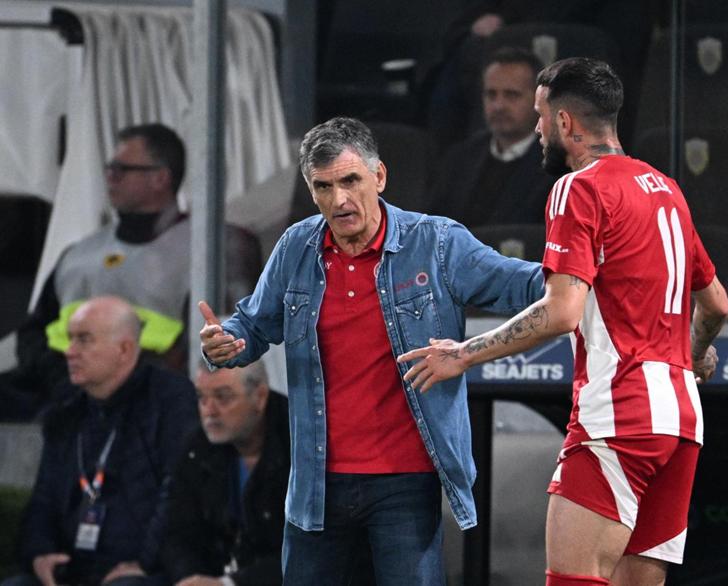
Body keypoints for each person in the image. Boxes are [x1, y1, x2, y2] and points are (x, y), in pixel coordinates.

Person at [399, 57, 728, 586]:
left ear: (564, 121)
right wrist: (688, 356)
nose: (536, 129)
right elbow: (716, 305)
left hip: (619, 416)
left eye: (540, 115)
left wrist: (462, 354)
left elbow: (561, 311)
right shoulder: (667, 190)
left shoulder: (579, 189)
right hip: (681, 423)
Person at [198, 116, 544, 585]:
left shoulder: (436, 243)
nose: (339, 200)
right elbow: (253, 326)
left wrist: (587, 265)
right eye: (323, 187)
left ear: (379, 176)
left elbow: (527, 284)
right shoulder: (295, 247)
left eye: (350, 181)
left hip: (405, 481)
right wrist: (226, 344)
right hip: (316, 483)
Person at [0, 123, 260, 420]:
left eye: (122, 169)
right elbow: (33, 333)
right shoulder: (79, 255)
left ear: (160, 178)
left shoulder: (208, 249)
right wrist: (57, 374)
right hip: (63, 388)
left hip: (149, 397)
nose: (110, 177)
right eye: (110, 168)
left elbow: (214, 346)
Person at [4, 296, 197, 586]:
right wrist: (40, 554)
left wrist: (146, 563)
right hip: (72, 569)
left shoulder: (171, 400)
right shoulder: (66, 410)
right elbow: (43, 500)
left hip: (144, 570)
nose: (69, 351)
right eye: (70, 339)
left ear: (124, 349)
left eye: (84, 340)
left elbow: (180, 496)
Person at [162, 361, 289, 586]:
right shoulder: (196, 447)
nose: (209, 411)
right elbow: (177, 533)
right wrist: (191, 579)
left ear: (260, 397)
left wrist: (231, 583)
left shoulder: (300, 443)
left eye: (223, 397)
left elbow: (313, 552)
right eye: (201, 398)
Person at [430, 46, 556, 227]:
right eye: (491, 94)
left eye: (511, 95)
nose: (498, 106)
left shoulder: (557, 167)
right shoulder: (459, 158)